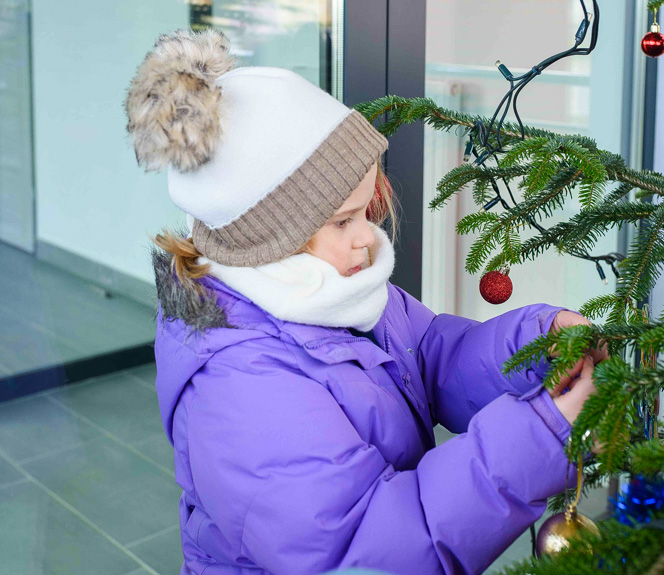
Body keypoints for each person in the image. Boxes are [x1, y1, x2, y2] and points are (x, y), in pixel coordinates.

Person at [126, 28, 603, 575]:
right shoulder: (241, 380)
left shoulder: (328, 289)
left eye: (365, 209)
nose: (367, 235)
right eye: (342, 220)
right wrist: (540, 435)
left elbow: (429, 357)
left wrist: (536, 345)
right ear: (269, 237)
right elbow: (364, 546)